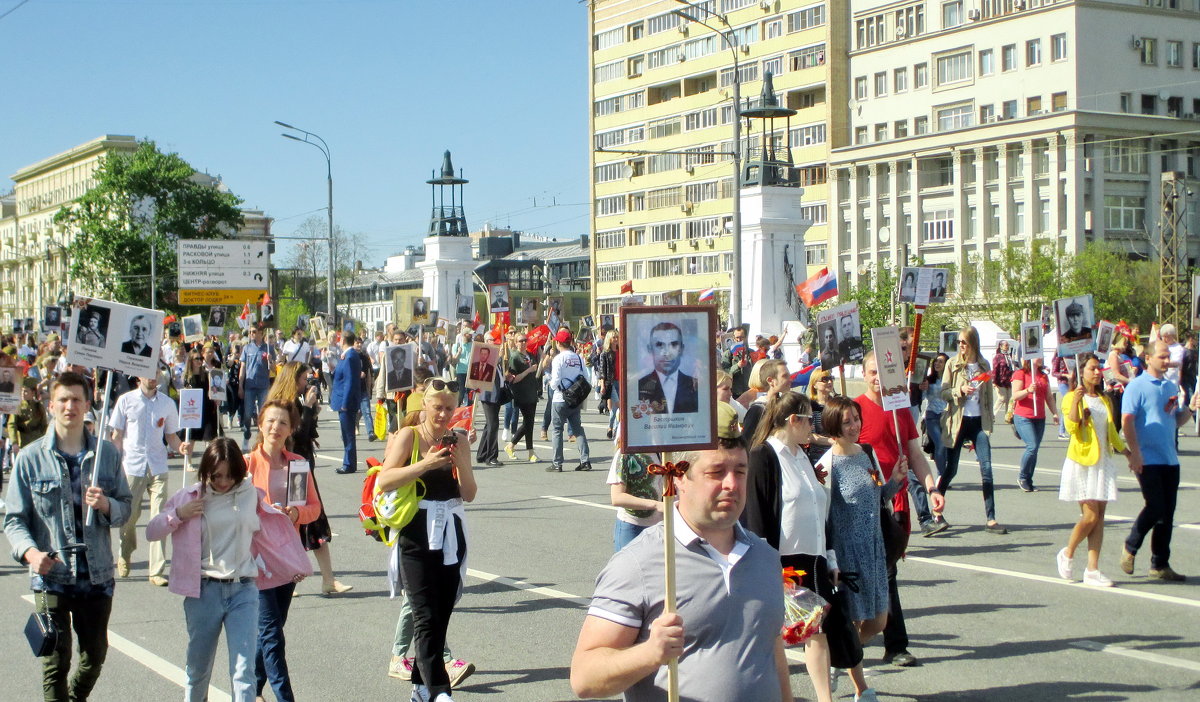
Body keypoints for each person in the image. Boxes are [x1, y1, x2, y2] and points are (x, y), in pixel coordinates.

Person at [570, 436, 792, 702]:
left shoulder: (765, 557)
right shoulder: (638, 563)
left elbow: (772, 652)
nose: (732, 484)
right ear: (679, 478)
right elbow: (584, 679)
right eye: (716, 472)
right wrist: (649, 653)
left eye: (740, 471)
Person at [4, 372, 131, 702]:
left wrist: (106, 505)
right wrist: (31, 554)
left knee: (94, 658)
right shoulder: (30, 459)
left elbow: (126, 507)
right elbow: (14, 520)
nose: (69, 406)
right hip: (52, 577)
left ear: (87, 405)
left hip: (97, 575)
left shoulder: (106, 454)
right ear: (51, 405)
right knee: (55, 663)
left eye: (76, 399)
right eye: (63, 399)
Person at [744, 391, 859, 702]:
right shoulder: (763, 455)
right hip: (783, 562)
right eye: (810, 419)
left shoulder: (803, 456)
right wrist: (767, 568)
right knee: (775, 638)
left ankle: (825, 699)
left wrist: (831, 558)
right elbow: (756, 518)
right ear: (793, 420)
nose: (814, 426)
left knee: (816, 631)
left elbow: (822, 512)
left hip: (815, 560)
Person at [376, 378, 477, 702]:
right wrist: (426, 464)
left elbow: (469, 493)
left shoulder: (458, 439)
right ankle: (440, 691)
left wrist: (459, 458)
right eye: (438, 408)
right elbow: (385, 480)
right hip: (416, 536)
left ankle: (421, 689)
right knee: (424, 614)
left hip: (450, 533)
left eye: (449, 408)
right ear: (425, 405)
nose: (444, 414)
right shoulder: (410, 436)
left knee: (441, 614)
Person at [146, 438, 263, 701]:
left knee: (244, 671)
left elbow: (269, 530)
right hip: (203, 591)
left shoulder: (250, 492)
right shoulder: (189, 497)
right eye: (216, 475)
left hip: (243, 589)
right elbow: (152, 531)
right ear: (205, 471)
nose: (223, 482)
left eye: (230, 475)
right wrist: (179, 514)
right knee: (198, 669)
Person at [852, 353, 944, 671]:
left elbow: (914, 453)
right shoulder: (855, 410)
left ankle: (884, 641)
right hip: (866, 506)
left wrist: (931, 488)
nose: (878, 377)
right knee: (882, 574)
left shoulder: (899, 408)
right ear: (864, 374)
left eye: (883, 371)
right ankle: (890, 642)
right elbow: (848, 456)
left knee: (888, 572)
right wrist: (880, 484)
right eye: (873, 371)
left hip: (897, 504)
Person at [245, 400, 321, 701]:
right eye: (271, 421)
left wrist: (295, 515)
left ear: (291, 429)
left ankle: (250, 688)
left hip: (286, 558)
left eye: (283, 423)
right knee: (272, 634)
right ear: (260, 423)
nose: (276, 428)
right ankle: (284, 697)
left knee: (271, 631)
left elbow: (313, 509)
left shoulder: (297, 464)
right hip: (257, 559)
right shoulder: (246, 464)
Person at [268, 361, 352, 595]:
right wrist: (307, 407)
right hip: (291, 470)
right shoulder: (284, 405)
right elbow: (295, 434)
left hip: (302, 466)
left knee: (315, 520)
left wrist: (312, 410)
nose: (307, 383)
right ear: (293, 379)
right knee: (292, 522)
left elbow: (307, 434)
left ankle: (328, 579)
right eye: (304, 379)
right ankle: (288, 578)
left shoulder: (296, 402)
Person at [110, 374, 193, 585]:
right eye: (149, 373)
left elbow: (171, 437)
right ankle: (125, 552)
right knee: (129, 516)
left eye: (157, 373)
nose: (153, 378)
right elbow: (117, 436)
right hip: (132, 466)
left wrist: (180, 446)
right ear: (139, 375)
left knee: (161, 517)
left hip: (158, 466)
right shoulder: (126, 401)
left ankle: (156, 570)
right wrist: (112, 462)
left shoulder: (166, 403)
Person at [1056, 354, 1130, 587]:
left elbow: (1111, 430)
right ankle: (1067, 553)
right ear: (1081, 372)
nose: (1097, 373)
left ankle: (1092, 569)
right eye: (1092, 369)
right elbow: (1071, 427)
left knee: (1100, 518)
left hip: (1103, 461)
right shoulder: (1070, 397)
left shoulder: (1104, 399)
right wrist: (1077, 403)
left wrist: (1126, 451)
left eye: (1099, 369)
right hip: (1082, 461)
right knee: (1090, 516)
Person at [1121, 341, 1191, 582]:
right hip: (1147, 457)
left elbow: (1174, 420)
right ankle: (1131, 545)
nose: (1166, 360)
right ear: (1148, 359)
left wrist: (1190, 409)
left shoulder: (1170, 385)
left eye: (1167, 356)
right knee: (1155, 506)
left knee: (1167, 513)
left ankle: (1160, 563)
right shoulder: (1137, 386)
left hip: (1169, 458)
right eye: (1161, 356)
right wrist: (1135, 452)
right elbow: (1127, 421)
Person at [939, 326, 1006, 534]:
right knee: (951, 470)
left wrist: (990, 422)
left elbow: (987, 398)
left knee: (986, 468)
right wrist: (959, 390)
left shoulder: (984, 366)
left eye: (964, 342)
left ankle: (991, 518)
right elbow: (943, 393)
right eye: (959, 342)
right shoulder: (952, 364)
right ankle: (937, 511)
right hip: (958, 422)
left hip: (978, 423)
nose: (960, 346)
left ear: (973, 343)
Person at [1011, 357, 1059, 492]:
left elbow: (1049, 397)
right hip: (1023, 416)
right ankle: (1022, 477)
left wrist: (1055, 413)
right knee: (1031, 446)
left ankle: (1029, 479)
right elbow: (1015, 395)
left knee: (1035, 449)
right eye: (1039, 355)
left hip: (1039, 417)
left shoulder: (1043, 375)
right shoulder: (1020, 373)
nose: (1042, 357)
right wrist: (1028, 390)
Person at [548, 329, 592, 472]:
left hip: (560, 399)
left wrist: (550, 383)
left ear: (559, 343)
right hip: (575, 399)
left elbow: (555, 381)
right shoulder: (578, 358)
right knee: (578, 429)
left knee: (557, 430)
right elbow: (586, 377)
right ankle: (585, 460)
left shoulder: (558, 359)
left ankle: (557, 463)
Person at [636, 322, 698, 414]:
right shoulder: (639, 386)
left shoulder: (694, 386)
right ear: (650, 348)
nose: (667, 353)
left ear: (682, 348)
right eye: (659, 345)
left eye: (674, 345)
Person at [504, 332, 541, 462]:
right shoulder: (515, 357)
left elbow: (536, 371)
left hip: (532, 392)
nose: (523, 343)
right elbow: (513, 379)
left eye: (525, 340)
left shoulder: (529, 355)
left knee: (529, 423)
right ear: (515, 342)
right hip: (521, 393)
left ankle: (515, 447)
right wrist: (528, 371)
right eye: (520, 341)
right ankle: (524, 449)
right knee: (528, 422)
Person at [330, 331, 362, 474]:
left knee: (348, 434)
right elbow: (341, 375)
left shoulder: (350, 356)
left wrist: (345, 402)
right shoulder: (348, 355)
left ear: (343, 340)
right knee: (346, 433)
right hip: (343, 398)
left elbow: (350, 381)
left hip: (346, 401)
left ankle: (349, 464)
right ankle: (348, 462)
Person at [238, 327, 272, 451]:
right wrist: (240, 385)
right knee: (247, 413)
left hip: (263, 385)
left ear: (261, 333)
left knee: (262, 414)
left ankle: (261, 440)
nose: (251, 334)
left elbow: (273, 368)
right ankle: (247, 435)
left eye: (254, 331)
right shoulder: (247, 348)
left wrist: (270, 360)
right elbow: (243, 367)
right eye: (251, 332)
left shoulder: (268, 348)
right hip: (250, 385)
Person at [595, 331, 620, 439]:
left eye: (617, 337)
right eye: (614, 337)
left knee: (615, 410)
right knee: (619, 406)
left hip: (621, 382)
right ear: (609, 339)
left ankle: (611, 428)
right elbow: (602, 371)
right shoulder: (605, 353)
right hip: (611, 382)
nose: (616, 339)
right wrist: (602, 385)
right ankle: (615, 429)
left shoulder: (621, 351)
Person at [992, 340, 1014, 421]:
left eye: (1008, 345)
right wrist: (994, 381)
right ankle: (992, 415)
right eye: (1005, 345)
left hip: (1008, 381)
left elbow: (1011, 367)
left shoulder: (1009, 356)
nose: (1007, 347)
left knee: (1009, 399)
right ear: (1000, 346)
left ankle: (1008, 416)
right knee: (1002, 398)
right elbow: (995, 369)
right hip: (1000, 381)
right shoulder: (997, 357)